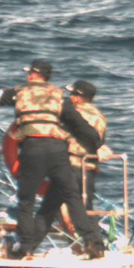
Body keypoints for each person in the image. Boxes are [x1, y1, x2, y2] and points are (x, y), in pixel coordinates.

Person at [0, 59, 104, 258]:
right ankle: (94, 244)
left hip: (33, 150)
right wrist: (95, 142)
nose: (27, 76)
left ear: (33, 75)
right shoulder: (60, 97)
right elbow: (81, 127)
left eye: (29, 73)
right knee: (73, 198)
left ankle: (24, 248)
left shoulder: (20, 92)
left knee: (26, 202)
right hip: (57, 152)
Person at [37, 79, 110, 232]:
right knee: (86, 208)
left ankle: (28, 245)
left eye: (71, 94)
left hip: (68, 165)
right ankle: (95, 245)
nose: (69, 97)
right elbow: (99, 141)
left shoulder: (71, 114)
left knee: (50, 208)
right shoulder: (99, 116)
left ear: (77, 97)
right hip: (88, 168)